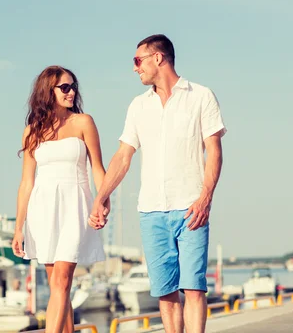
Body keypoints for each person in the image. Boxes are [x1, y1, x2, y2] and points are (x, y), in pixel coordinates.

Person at [89, 34, 226, 333]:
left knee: (193, 289)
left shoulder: (201, 96)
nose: (135, 68)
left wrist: (205, 198)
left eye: (138, 61)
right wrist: (100, 197)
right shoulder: (138, 107)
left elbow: (214, 151)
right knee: (166, 293)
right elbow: (123, 156)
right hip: (151, 211)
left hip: (192, 207)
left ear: (158, 58)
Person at [12, 65, 107, 333]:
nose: (71, 91)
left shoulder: (83, 122)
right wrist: (19, 227)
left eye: (73, 86)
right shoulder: (32, 131)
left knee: (62, 281)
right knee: (58, 286)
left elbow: (97, 168)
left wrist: (102, 199)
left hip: (75, 205)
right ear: (47, 91)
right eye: (64, 87)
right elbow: (26, 183)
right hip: (43, 209)